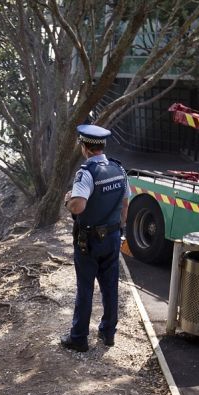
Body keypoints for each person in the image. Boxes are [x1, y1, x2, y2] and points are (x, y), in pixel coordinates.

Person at [60, 124, 130, 352]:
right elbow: (125, 203)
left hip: (88, 241)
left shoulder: (86, 173)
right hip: (112, 237)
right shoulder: (119, 169)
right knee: (110, 288)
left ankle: (79, 338)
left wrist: (67, 200)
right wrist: (121, 229)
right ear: (102, 146)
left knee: (85, 288)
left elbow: (78, 206)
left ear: (85, 147)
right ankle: (108, 333)